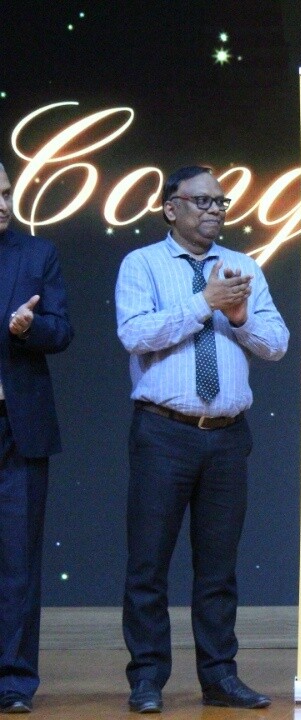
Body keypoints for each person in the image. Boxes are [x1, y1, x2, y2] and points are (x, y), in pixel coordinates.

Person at [115, 165, 289, 713]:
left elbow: (277, 343)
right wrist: (203, 303)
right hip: (163, 433)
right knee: (148, 565)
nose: (215, 211)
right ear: (171, 208)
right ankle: (147, 680)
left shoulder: (244, 267)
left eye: (221, 202)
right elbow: (134, 333)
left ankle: (219, 678)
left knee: (218, 568)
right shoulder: (142, 264)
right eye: (203, 201)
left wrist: (238, 318)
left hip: (227, 437)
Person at [0, 162, 74, 714]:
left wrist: (29, 329)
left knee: (18, 562)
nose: (2, 204)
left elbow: (62, 330)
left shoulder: (35, 254)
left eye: (6, 193)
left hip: (16, 427)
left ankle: (14, 681)